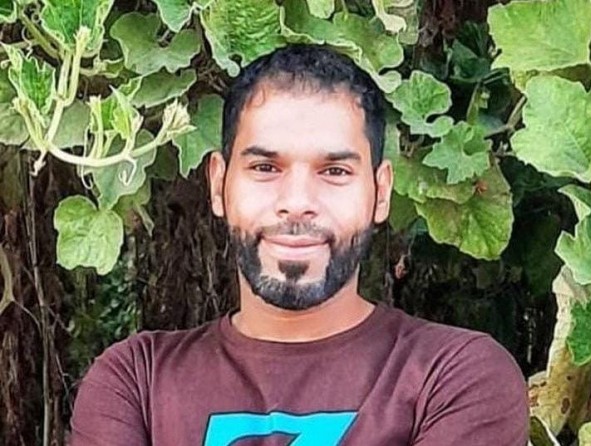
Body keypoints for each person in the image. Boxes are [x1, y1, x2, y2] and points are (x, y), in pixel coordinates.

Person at [69, 44, 529, 446]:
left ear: (381, 193)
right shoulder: (137, 379)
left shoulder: (454, 375)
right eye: (265, 168)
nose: (297, 203)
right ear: (218, 184)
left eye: (335, 172)